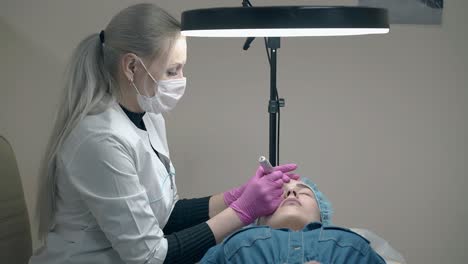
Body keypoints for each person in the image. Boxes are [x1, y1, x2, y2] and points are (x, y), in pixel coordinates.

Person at [29, 3, 299, 264]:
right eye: (172, 70)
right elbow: (150, 257)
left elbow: (165, 215)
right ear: (131, 66)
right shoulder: (100, 139)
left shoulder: (150, 116)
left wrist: (237, 196)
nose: (181, 78)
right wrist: (243, 211)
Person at [200, 177, 387, 263]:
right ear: (257, 218)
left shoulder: (352, 246)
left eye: (304, 192)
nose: (290, 192)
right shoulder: (235, 246)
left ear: (322, 214)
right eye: (279, 194)